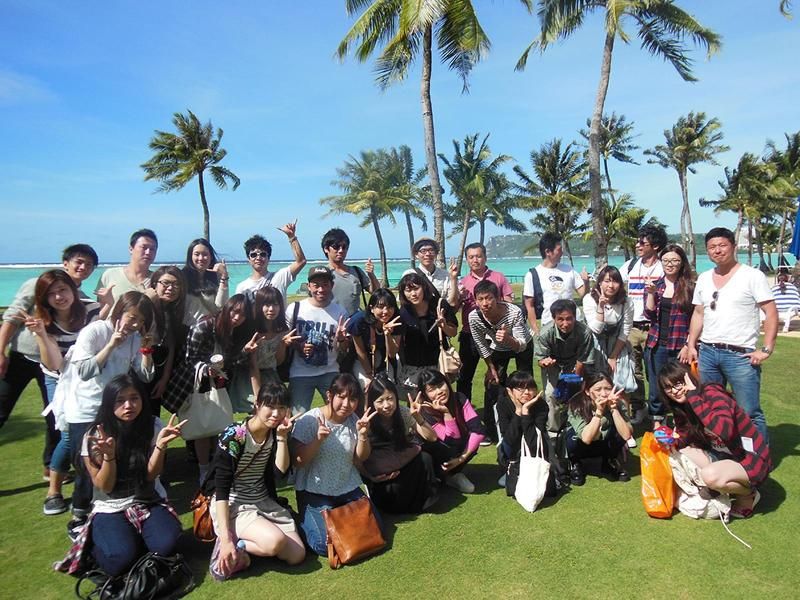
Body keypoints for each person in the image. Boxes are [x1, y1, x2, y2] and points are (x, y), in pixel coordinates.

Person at [55, 375, 184, 577]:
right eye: (120, 400)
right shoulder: (95, 435)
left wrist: (160, 446)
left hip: (148, 500)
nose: (128, 405)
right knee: (119, 560)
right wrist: (109, 456)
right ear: (109, 404)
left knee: (167, 545)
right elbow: (105, 486)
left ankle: (137, 539)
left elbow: (151, 475)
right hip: (111, 507)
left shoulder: (153, 425)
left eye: (134, 398)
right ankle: (95, 546)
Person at [0, 244, 98, 480]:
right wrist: (1, 350)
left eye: (89, 265)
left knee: (56, 417)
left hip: (54, 367)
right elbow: (12, 317)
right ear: (66, 263)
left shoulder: (80, 299)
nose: (83, 267)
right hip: (22, 358)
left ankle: (50, 466)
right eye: (79, 262)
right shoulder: (38, 285)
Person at [680, 227, 777, 442]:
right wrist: (691, 344)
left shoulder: (752, 276)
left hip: (740, 356)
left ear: (733, 246)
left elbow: (770, 312)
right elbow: (698, 313)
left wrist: (766, 349)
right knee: (712, 407)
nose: (717, 250)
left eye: (722, 245)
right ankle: (722, 450)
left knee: (749, 411)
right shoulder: (704, 278)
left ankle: (758, 456)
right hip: (708, 352)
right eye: (712, 247)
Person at [209, 382, 305, 580]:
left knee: (297, 555)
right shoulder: (234, 436)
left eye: (281, 408)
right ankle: (230, 545)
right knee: (275, 541)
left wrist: (282, 438)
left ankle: (246, 548)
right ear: (257, 405)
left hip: (262, 501)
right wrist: (225, 538)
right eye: (270, 406)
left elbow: (280, 474)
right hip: (235, 505)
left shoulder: (276, 432)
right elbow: (222, 490)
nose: (276, 414)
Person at [24, 270, 101, 515]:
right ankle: (53, 491)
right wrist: (41, 334)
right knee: (69, 434)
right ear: (44, 298)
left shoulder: (92, 310)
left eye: (63, 290)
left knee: (95, 430)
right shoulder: (44, 321)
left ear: (73, 290)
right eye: (51, 293)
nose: (59, 297)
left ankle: (95, 484)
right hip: (60, 379)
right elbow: (55, 364)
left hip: (88, 377)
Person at [657, 361, 771, 518]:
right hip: (723, 455)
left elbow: (725, 431)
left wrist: (693, 396)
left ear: (688, 378)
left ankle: (748, 494)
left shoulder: (712, 393)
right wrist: (670, 440)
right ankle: (721, 486)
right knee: (682, 452)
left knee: (710, 476)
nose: (675, 391)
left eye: (678, 383)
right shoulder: (681, 407)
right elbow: (685, 436)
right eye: (668, 388)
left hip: (750, 458)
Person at [162, 294, 254, 483]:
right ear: (226, 308)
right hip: (193, 383)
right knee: (201, 427)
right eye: (235, 312)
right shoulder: (204, 325)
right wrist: (206, 370)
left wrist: (245, 351)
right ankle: (203, 469)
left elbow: (229, 362)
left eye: (243, 315)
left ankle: (215, 465)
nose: (237, 318)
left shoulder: (233, 331)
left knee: (216, 424)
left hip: (218, 383)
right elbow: (190, 357)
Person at [291, 373, 380, 557]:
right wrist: (317, 440)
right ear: (329, 395)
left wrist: (363, 435)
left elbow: (361, 457)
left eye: (353, 399)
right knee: (324, 545)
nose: (346, 404)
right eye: (341, 396)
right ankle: (298, 520)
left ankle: (340, 519)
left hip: (347, 486)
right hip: (314, 490)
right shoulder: (309, 420)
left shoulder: (354, 421)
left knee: (375, 528)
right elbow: (298, 462)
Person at [362, 374, 439, 514]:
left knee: (425, 459)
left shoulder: (403, 413)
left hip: (401, 460)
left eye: (390, 398)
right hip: (382, 472)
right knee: (393, 492)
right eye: (380, 401)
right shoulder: (366, 421)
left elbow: (432, 438)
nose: (387, 405)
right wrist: (370, 476)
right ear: (372, 403)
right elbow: (360, 458)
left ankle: (423, 501)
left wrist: (418, 417)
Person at [467, 280, 532, 441]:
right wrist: (491, 368)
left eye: (489, 298)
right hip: (497, 347)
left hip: (521, 344)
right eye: (480, 299)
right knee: (493, 384)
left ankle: (528, 425)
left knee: (525, 384)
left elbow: (521, 345)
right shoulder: (474, 317)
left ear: (497, 298)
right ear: (476, 301)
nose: (485, 303)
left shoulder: (514, 312)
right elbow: (481, 344)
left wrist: (508, 339)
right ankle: (492, 431)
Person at [285, 266, 350, 416]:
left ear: (332, 285)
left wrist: (342, 339)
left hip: (330, 371)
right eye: (316, 285)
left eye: (325, 285)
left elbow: (344, 349)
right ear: (309, 286)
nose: (321, 289)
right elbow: (285, 339)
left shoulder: (340, 312)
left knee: (338, 413)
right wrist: (298, 345)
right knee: (297, 417)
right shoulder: (295, 309)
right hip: (300, 372)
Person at [642, 244, 694, 427]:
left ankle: (683, 422)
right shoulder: (656, 285)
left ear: (682, 262)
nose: (670, 264)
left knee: (681, 385)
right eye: (665, 261)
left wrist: (689, 344)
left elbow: (696, 318)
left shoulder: (690, 287)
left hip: (680, 346)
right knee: (656, 387)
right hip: (657, 345)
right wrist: (650, 294)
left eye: (674, 260)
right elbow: (649, 314)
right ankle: (658, 423)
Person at [620, 224, 668, 424]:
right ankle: (638, 407)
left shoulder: (664, 267)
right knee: (634, 370)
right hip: (632, 326)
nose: (637, 245)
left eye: (642, 242)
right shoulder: (631, 265)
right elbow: (612, 282)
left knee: (656, 372)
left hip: (654, 327)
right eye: (637, 242)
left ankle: (660, 411)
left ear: (655, 246)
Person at [456, 242, 514, 402]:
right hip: (470, 334)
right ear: (467, 260)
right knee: (464, 377)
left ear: (485, 257)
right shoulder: (463, 282)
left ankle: (496, 411)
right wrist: (459, 297)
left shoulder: (498, 277)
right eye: (471, 257)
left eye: (478, 256)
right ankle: (464, 412)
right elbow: (455, 308)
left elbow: (509, 303)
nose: (475, 260)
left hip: (495, 334)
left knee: (496, 375)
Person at [416, 368, 486, 493]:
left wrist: (461, 458)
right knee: (451, 447)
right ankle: (440, 476)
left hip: (455, 454)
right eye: (432, 390)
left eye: (440, 385)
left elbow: (479, 431)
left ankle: (453, 475)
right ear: (425, 394)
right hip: (436, 456)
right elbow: (452, 441)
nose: (439, 391)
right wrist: (446, 413)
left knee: (472, 441)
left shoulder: (459, 398)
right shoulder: (425, 413)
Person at [534, 299, 595, 437]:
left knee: (578, 393)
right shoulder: (544, 333)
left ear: (575, 317)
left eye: (569, 319)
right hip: (553, 364)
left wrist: (573, 380)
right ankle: (553, 431)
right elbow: (540, 359)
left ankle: (577, 425)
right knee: (551, 394)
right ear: (554, 318)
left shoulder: (584, 332)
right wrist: (545, 362)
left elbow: (583, 359)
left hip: (576, 363)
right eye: (560, 319)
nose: (565, 324)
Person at [397, 272, 458, 400]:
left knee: (440, 399)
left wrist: (444, 326)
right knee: (416, 401)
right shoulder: (403, 311)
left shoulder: (439, 305)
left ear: (424, 287)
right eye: (408, 290)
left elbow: (453, 332)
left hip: (438, 362)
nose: (413, 294)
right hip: (413, 365)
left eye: (416, 288)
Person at [566, 372, 633, 486]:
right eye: (598, 389)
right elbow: (586, 438)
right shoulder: (577, 404)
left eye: (608, 389)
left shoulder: (618, 403)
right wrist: (599, 412)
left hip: (604, 443)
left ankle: (610, 460)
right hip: (582, 444)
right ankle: (575, 462)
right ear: (587, 391)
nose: (604, 394)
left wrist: (614, 409)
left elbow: (626, 435)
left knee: (619, 430)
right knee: (572, 438)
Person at [523, 232, 589, 335]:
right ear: (548, 252)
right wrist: (535, 328)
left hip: (574, 322)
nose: (562, 253)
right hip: (550, 325)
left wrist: (586, 282)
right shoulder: (532, 275)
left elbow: (583, 294)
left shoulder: (568, 270)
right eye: (559, 250)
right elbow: (529, 305)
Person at [495, 370, 549, 493]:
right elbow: (509, 438)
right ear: (510, 391)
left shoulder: (541, 405)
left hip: (534, 447)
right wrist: (518, 412)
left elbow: (534, 440)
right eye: (520, 389)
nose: (526, 392)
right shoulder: (503, 403)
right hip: (512, 447)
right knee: (508, 444)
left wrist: (525, 412)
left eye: (530, 388)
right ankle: (512, 469)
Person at [145, 266, 187, 413]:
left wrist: (165, 378)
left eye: (176, 284)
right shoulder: (144, 306)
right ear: (154, 284)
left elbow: (170, 345)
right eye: (166, 283)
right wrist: (147, 299)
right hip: (138, 363)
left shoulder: (170, 312)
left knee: (152, 415)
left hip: (157, 366)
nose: (171, 288)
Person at [583, 265, 634, 381]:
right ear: (600, 283)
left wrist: (613, 356)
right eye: (607, 281)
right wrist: (601, 307)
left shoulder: (627, 302)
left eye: (615, 281)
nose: (611, 285)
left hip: (617, 345)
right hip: (594, 346)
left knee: (622, 382)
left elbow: (625, 331)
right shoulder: (589, 299)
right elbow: (596, 329)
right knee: (595, 381)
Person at [347, 289, 403, 388]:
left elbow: (392, 353)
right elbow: (360, 352)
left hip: (385, 359)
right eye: (380, 307)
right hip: (362, 360)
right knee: (368, 387)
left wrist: (388, 335)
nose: (385, 311)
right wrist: (369, 375)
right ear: (371, 308)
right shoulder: (359, 321)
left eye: (390, 307)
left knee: (389, 388)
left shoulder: (397, 321)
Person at [234, 222, 307, 300]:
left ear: (268, 258)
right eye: (253, 255)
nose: (258, 258)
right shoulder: (242, 287)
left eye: (263, 254)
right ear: (248, 259)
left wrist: (291, 237)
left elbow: (301, 261)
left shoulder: (279, 277)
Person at [247, 287, 298, 398]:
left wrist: (282, 345)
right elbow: (253, 366)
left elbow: (278, 362)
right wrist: (258, 397)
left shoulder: (283, 331)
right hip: (249, 377)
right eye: (266, 305)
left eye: (275, 304)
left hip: (271, 375)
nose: (271, 309)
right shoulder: (252, 330)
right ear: (259, 306)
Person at [95, 229, 158, 316]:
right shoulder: (110, 275)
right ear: (131, 249)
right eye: (144, 247)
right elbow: (98, 312)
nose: (148, 252)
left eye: (152, 249)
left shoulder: (157, 280)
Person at [321, 228, 380, 316]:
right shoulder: (322, 273)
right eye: (336, 247)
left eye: (344, 247)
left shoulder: (356, 271)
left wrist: (371, 275)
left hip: (354, 321)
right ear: (326, 249)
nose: (341, 250)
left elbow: (376, 293)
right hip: (330, 320)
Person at [182, 238, 230, 325]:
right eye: (197, 254)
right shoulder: (182, 277)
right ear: (190, 256)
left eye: (205, 254)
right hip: (186, 329)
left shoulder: (216, 277)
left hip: (209, 329)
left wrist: (224, 276)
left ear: (211, 257)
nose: (201, 258)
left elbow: (221, 305)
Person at [401, 237, 459, 306]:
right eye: (423, 251)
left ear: (436, 253)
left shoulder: (446, 275)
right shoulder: (409, 274)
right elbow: (403, 300)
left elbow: (453, 303)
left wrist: (453, 279)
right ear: (416, 254)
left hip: (440, 312)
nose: (428, 254)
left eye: (431, 250)